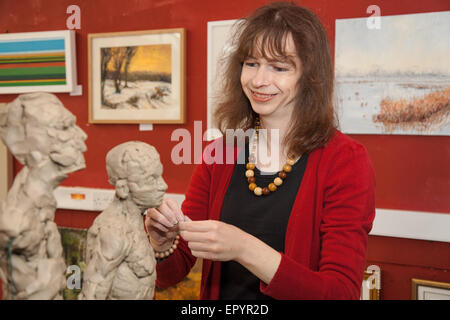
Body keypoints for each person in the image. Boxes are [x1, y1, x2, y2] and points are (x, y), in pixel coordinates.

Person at [145, 2, 375, 300]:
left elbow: (340, 293)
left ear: (310, 77)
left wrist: (243, 248)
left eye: (279, 68)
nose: (259, 80)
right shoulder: (220, 154)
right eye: (251, 63)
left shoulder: (345, 161)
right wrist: (163, 243)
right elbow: (172, 273)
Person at [0, 92, 87, 299]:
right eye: (65, 127)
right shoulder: (18, 222)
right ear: (36, 142)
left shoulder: (41, 200)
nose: (82, 135)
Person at [79, 141, 167, 300]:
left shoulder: (134, 222)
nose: (163, 186)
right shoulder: (113, 230)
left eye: (160, 176)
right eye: (151, 179)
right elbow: (93, 291)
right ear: (123, 189)